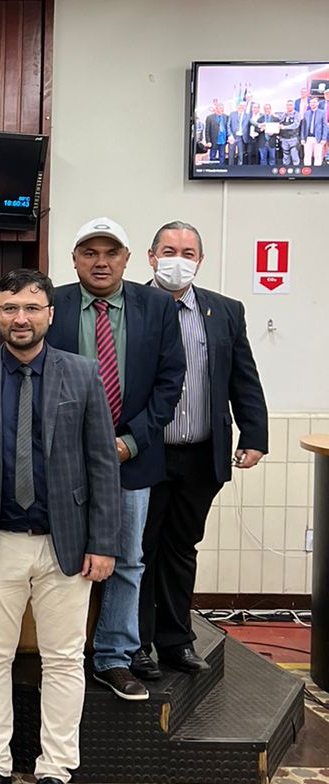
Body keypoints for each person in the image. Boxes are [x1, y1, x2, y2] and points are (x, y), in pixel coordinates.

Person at [0, 269, 120, 784]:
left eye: (31, 308)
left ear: (50, 315)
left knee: (64, 660)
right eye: (10, 308)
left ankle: (53, 774)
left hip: (67, 545)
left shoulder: (82, 373)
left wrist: (104, 541)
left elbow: (102, 463)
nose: (21, 318)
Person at [46, 218, 184, 702]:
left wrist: (130, 442)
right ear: (74, 260)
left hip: (132, 456)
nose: (100, 262)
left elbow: (169, 383)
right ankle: (61, 654)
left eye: (111, 253)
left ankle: (113, 657)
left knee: (127, 560)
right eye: (90, 253)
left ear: (128, 258)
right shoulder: (52, 304)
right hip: (60, 460)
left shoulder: (157, 307)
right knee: (60, 558)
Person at [134, 223, 268, 677]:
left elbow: (243, 377)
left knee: (182, 547)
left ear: (200, 260)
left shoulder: (225, 310)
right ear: (151, 256)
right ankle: (135, 644)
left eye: (188, 252)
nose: (178, 259)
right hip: (145, 453)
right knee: (140, 551)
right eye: (169, 250)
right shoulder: (132, 305)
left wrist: (254, 435)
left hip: (200, 454)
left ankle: (176, 641)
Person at [302, 95, 327, 169]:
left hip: (318, 138)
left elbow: (325, 126)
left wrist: (324, 138)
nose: (312, 104)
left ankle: (317, 172)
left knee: (318, 156)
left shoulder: (322, 113)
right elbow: (303, 127)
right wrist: (302, 138)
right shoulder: (306, 113)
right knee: (307, 155)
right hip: (308, 138)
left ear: (317, 103)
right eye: (311, 102)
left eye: (314, 102)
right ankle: (307, 172)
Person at [279, 101, 301, 169]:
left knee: (294, 156)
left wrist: (285, 127)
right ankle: (286, 170)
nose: (288, 106)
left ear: (293, 106)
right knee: (285, 156)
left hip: (293, 139)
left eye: (290, 105)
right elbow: (279, 123)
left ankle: (296, 170)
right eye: (287, 105)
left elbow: (296, 125)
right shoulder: (283, 115)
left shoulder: (296, 114)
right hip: (284, 139)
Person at [203, 100, 226, 164]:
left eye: (223, 108)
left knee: (222, 156)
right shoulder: (210, 117)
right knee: (212, 156)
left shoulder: (226, 117)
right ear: (216, 109)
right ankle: (212, 168)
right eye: (220, 108)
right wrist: (208, 141)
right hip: (214, 141)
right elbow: (207, 131)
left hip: (223, 140)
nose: (222, 109)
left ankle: (222, 168)